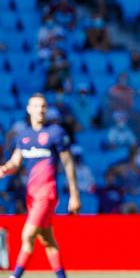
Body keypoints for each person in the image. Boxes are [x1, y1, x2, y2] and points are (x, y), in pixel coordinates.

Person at [0, 94, 81, 278]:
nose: (40, 110)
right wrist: (4, 169)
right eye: (36, 106)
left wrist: (74, 194)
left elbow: (68, 163)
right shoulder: (24, 136)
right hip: (31, 195)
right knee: (47, 240)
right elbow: (15, 162)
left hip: (47, 192)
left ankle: (15, 276)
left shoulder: (56, 132)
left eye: (43, 106)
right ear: (29, 109)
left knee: (27, 235)